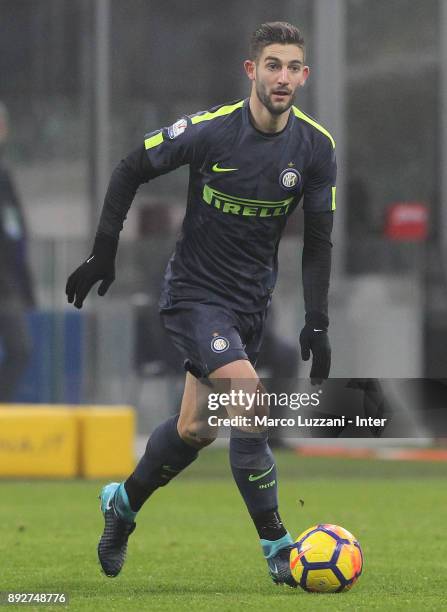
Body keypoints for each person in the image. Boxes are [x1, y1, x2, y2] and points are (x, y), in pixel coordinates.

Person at [66, 22, 335, 587]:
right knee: (249, 397)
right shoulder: (212, 132)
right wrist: (102, 253)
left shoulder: (315, 147)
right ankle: (278, 548)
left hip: (249, 304)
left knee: (195, 430)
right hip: (194, 295)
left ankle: (122, 505)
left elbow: (318, 241)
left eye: (292, 68)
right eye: (272, 66)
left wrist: (317, 319)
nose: (282, 78)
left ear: (304, 76)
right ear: (251, 71)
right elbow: (130, 167)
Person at [0, 102, 35, 401]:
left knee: (20, 349)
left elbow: (15, 234)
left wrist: (23, 284)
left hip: (6, 283)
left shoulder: (4, 175)